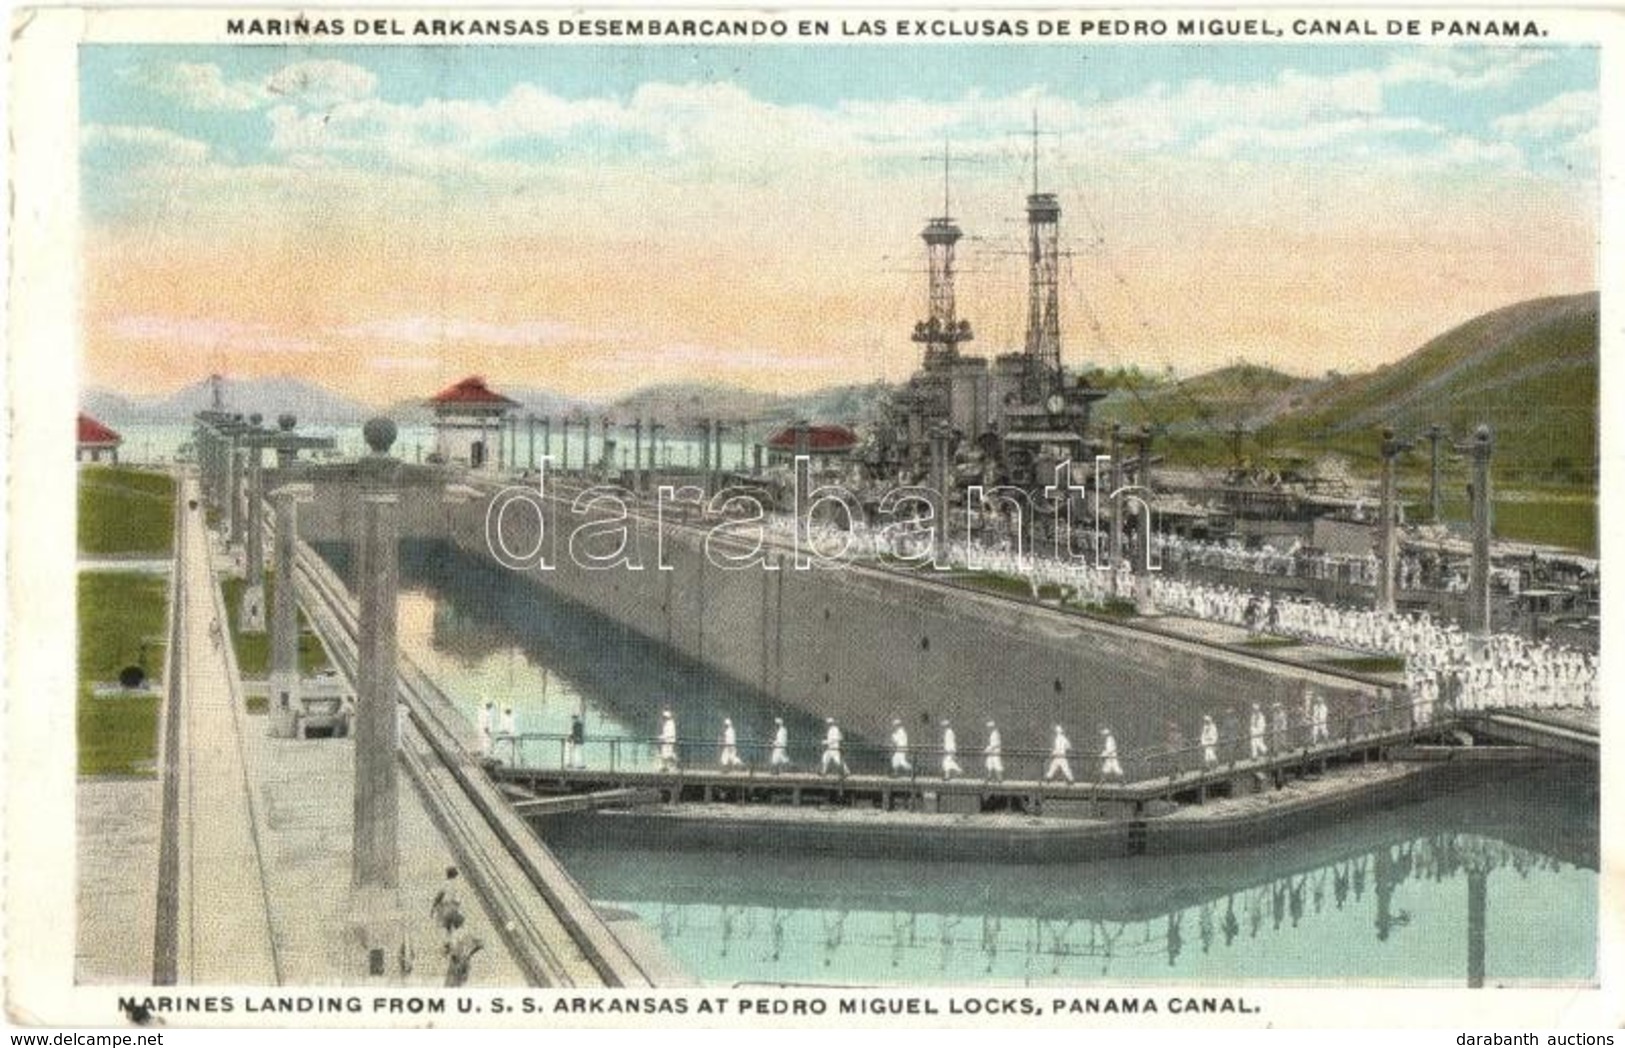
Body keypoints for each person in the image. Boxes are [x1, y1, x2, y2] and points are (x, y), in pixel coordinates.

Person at [430, 867, 465, 939]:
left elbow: (439, 897)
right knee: (456, 926)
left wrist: (433, 909)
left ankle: (448, 943)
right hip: (456, 908)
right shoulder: (458, 884)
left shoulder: (445, 884)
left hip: (446, 908)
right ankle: (458, 941)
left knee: (446, 926)